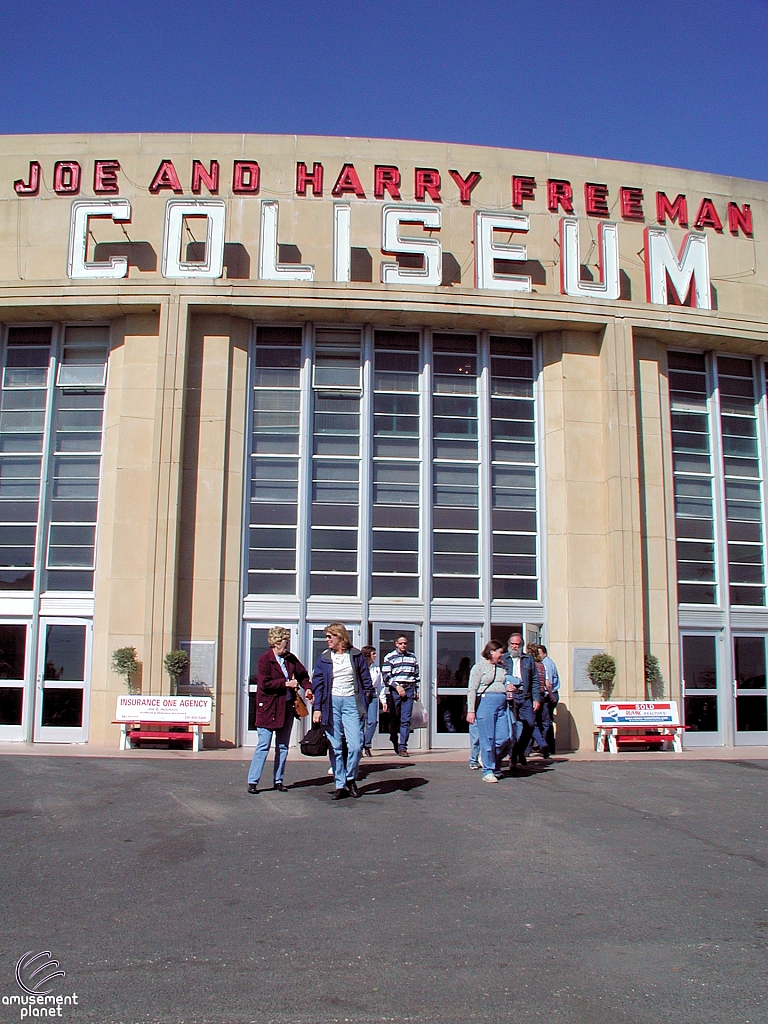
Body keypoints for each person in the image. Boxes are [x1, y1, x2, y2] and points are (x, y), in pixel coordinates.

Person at [312, 623, 374, 800]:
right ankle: (340, 784)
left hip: (351, 703)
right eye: (326, 636)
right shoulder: (324, 658)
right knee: (336, 746)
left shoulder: (355, 656)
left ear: (341, 637)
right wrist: (317, 708)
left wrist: (365, 703)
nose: (327, 639)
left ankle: (350, 778)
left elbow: (366, 681)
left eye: (331, 636)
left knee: (355, 745)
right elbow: (318, 684)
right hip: (331, 704)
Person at [247, 627, 311, 794]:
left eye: (288, 642)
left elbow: (303, 675)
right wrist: (285, 684)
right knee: (263, 745)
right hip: (268, 709)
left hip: (286, 709)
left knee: (283, 746)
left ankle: (278, 780)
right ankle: (253, 781)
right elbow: (264, 684)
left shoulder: (290, 659)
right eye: (284, 642)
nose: (287, 645)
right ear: (275, 643)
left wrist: (308, 688)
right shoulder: (264, 660)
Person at [466, 641, 510, 783]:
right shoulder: (479, 667)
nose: (502, 655)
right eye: (500, 652)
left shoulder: (502, 668)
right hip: (485, 703)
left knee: (504, 737)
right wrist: (471, 710)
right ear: (492, 652)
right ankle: (488, 770)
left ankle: (493, 762)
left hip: (502, 704)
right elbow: (472, 689)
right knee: (488, 738)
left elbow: (504, 682)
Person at [504, 633, 542, 767]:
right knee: (512, 728)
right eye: (512, 644)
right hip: (510, 698)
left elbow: (535, 680)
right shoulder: (503, 659)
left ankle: (519, 750)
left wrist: (536, 698)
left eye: (517, 644)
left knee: (530, 725)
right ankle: (513, 757)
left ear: (521, 645)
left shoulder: (528, 659)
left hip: (525, 697)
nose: (515, 647)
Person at [382, 634, 420, 757]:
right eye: (401, 643)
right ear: (396, 644)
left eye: (405, 643)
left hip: (409, 688)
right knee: (394, 717)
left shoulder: (412, 657)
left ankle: (403, 746)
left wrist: (417, 690)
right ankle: (394, 737)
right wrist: (397, 687)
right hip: (395, 689)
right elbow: (386, 676)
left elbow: (416, 675)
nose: (403, 645)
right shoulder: (390, 657)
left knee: (406, 719)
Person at [524, 642, 551, 759]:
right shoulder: (541, 665)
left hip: (532, 696)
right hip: (542, 695)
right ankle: (532, 747)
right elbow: (546, 682)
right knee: (543, 722)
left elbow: (529, 682)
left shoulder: (529, 665)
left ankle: (540, 745)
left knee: (532, 723)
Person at [362, 645, 385, 756]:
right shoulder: (361, 667)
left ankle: (366, 744)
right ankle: (358, 745)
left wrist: (383, 701)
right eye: (373, 654)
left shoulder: (376, 668)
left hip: (373, 695)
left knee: (372, 721)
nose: (375, 656)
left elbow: (380, 685)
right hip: (362, 695)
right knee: (361, 721)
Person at [538, 644, 560, 753]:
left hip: (549, 695)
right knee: (547, 720)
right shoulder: (546, 663)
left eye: (539, 653)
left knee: (546, 721)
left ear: (544, 653)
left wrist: (550, 695)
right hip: (549, 694)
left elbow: (549, 684)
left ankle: (546, 745)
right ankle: (548, 746)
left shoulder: (547, 664)